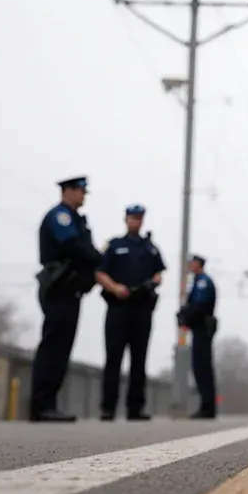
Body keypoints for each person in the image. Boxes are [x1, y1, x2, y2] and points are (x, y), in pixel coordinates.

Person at [32, 176, 102, 422]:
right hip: (59, 287)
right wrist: (99, 258)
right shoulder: (61, 216)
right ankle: (41, 405)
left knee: (62, 347)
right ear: (67, 191)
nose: (83, 196)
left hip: (71, 289)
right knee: (53, 345)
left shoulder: (77, 219)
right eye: (81, 191)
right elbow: (74, 246)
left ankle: (48, 404)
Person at [95, 204, 165, 421]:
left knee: (139, 359)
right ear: (126, 219)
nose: (136, 221)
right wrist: (116, 288)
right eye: (133, 217)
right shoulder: (114, 245)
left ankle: (135, 408)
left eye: (139, 218)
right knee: (113, 358)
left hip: (142, 308)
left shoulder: (150, 248)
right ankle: (108, 407)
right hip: (118, 307)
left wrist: (151, 283)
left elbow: (159, 274)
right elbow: (99, 273)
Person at [177, 254, 218, 419]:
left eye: (191, 263)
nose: (189, 266)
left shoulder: (203, 282)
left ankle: (208, 407)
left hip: (203, 328)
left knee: (202, 367)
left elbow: (199, 306)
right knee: (199, 366)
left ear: (198, 264)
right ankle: (206, 406)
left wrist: (185, 315)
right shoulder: (196, 282)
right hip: (198, 329)